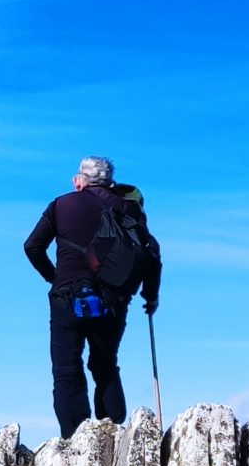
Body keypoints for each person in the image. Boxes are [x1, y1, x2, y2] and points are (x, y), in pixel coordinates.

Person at [22, 156, 162, 438]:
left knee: (66, 367)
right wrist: (151, 296)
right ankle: (112, 430)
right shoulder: (129, 208)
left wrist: (55, 277)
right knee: (104, 362)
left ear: (78, 180)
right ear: (111, 183)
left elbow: (32, 246)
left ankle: (75, 440)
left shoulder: (62, 204)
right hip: (113, 300)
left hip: (67, 294)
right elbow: (151, 256)